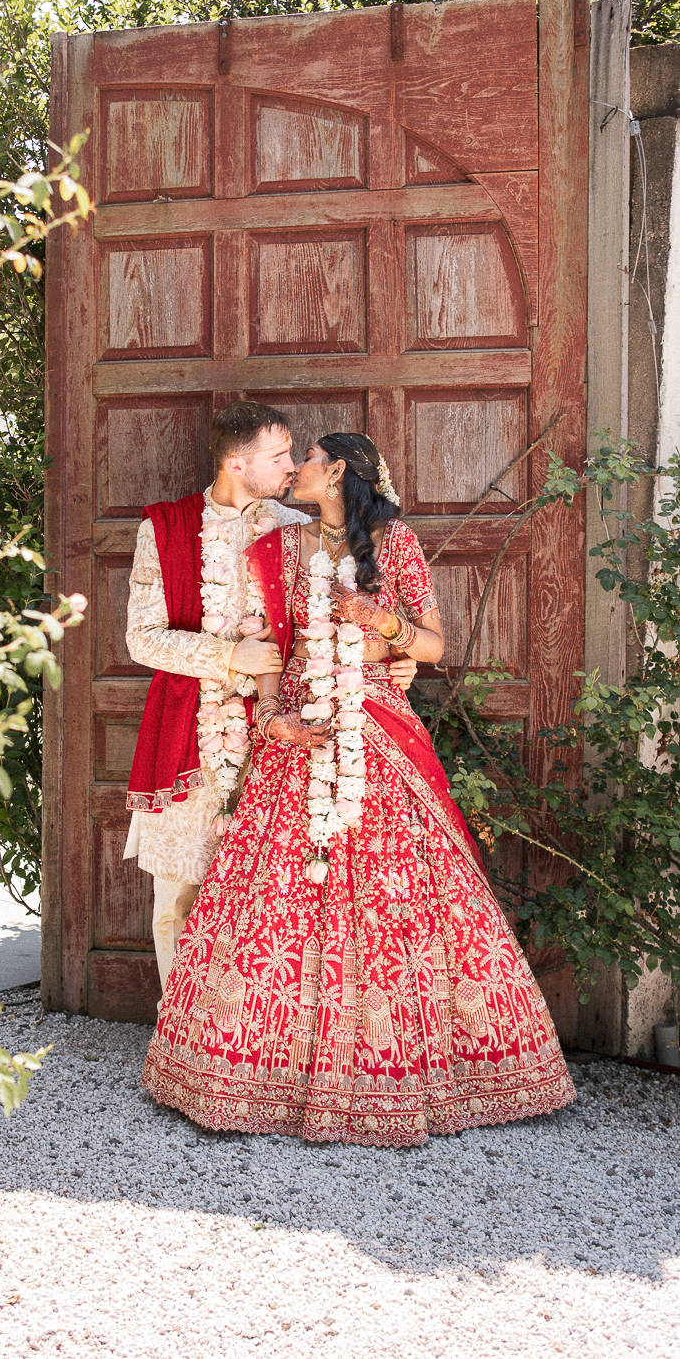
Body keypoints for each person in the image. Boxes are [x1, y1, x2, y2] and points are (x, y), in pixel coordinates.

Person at [141, 432, 575, 1146]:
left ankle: (410, 1067)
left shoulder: (393, 541)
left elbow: (433, 647)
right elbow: (274, 646)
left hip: (378, 729)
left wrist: (379, 623)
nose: (295, 470)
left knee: (392, 895)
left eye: (305, 459)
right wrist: (273, 718)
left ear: (336, 470)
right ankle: (253, 1072)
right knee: (275, 900)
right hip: (301, 732)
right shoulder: (281, 548)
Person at [124, 403, 419, 994]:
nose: (292, 466)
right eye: (279, 456)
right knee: (179, 895)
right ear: (237, 463)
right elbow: (141, 637)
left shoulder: (299, 527)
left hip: (288, 733)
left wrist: (393, 654)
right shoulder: (164, 527)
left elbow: (348, 616)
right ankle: (181, 1044)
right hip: (193, 731)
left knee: (275, 899)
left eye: (295, 455)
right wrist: (230, 657)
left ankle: (257, 1041)